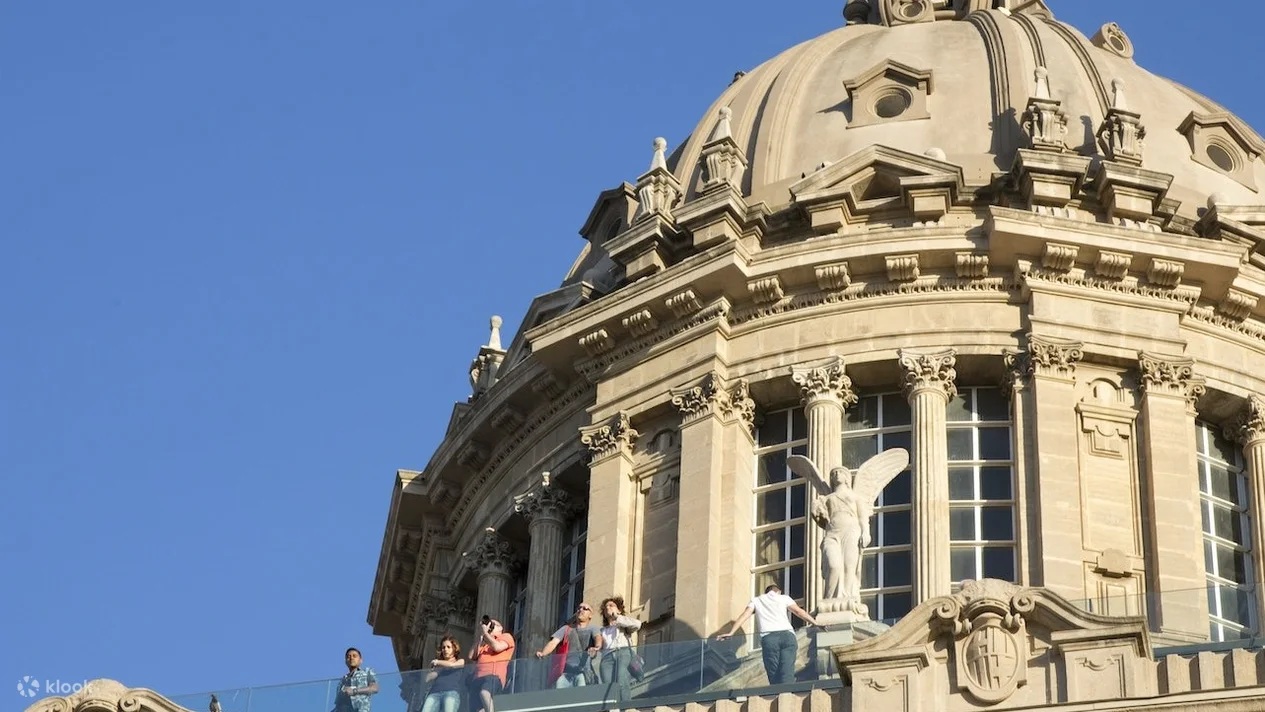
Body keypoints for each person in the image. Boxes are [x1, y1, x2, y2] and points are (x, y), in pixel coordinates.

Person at [716, 584, 818, 685]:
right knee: (787, 670)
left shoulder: (756, 600)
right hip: (787, 635)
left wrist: (731, 632)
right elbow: (799, 612)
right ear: (778, 591)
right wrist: (815, 623)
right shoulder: (784, 598)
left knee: (773, 672)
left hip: (769, 638)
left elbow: (745, 615)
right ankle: (787, 695)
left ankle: (776, 694)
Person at [535, 602, 602, 688]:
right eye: (579, 608)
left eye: (585, 608)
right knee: (560, 696)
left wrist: (597, 647)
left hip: (583, 672)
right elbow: (553, 642)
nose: (581, 610)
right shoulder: (566, 629)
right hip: (565, 673)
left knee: (580, 698)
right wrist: (543, 653)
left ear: (590, 615)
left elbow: (598, 638)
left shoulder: (593, 628)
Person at [597, 597, 641, 704]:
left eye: (611, 605)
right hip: (607, 658)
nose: (608, 608)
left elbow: (637, 624)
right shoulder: (601, 630)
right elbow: (597, 645)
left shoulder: (622, 625)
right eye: (606, 607)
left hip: (622, 653)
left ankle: (626, 707)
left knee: (621, 679)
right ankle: (612, 708)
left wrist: (617, 617)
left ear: (619, 610)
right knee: (607, 685)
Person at [469, 616, 515, 712]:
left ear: (500, 628)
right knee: (478, 709)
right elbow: (471, 656)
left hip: (493, 675)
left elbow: (497, 647)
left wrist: (486, 633)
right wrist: (481, 637)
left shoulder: (505, 636)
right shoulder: (485, 643)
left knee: (485, 693)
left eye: (492, 625)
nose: (490, 627)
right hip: (477, 678)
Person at [420, 635, 465, 712]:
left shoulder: (460, 661)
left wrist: (437, 662)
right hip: (434, 693)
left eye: (448, 647)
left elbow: (452, 665)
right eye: (443, 647)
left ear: (454, 648)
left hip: (451, 692)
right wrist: (433, 668)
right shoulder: (439, 666)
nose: (445, 649)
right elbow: (427, 678)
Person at [332, 647, 379, 712]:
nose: (351, 658)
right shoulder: (343, 680)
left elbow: (374, 688)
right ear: (346, 661)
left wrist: (354, 691)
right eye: (348, 656)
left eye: (354, 656)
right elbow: (338, 703)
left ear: (361, 660)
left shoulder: (367, 672)